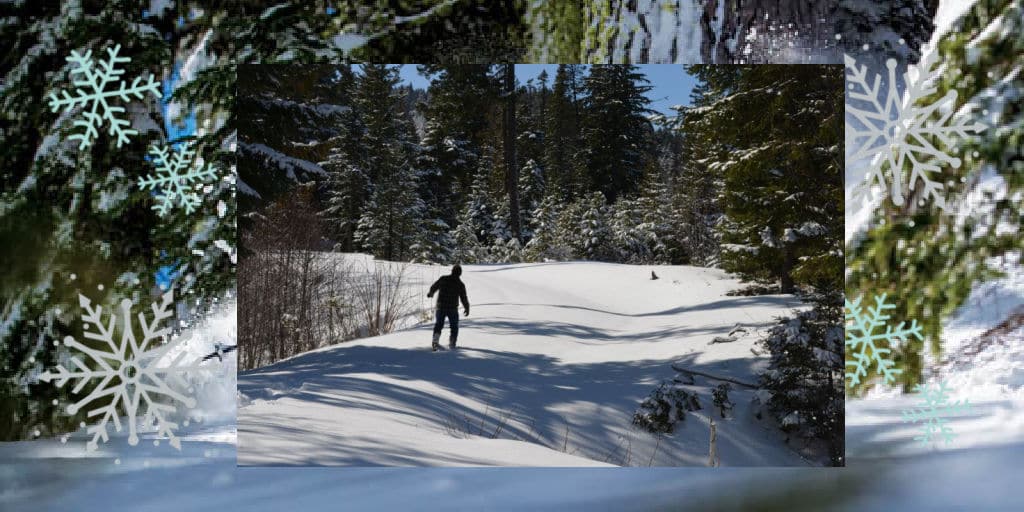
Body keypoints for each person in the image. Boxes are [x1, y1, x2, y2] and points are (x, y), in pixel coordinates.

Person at [426, 264, 470, 351]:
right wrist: (467, 308)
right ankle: (452, 342)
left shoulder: (444, 279)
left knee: (439, 325)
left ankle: (435, 341)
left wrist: (431, 293)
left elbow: (434, 286)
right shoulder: (460, 284)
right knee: (454, 326)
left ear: (452, 271)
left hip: (440, 307)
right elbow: (463, 297)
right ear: (460, 273)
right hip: (452, 308)